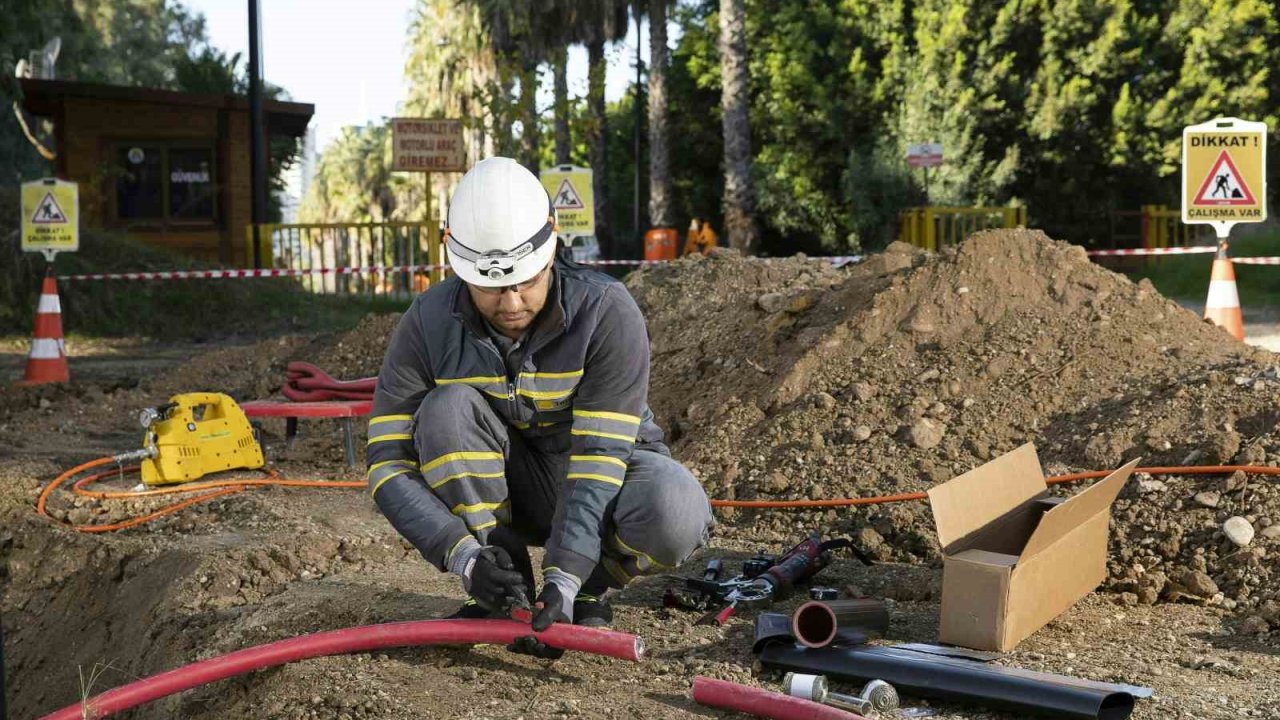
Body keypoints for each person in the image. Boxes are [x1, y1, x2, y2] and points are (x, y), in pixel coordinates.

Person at [366, 157, 713, 652]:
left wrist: (568, 577)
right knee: (446, 409)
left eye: (526, 281)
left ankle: (587, 589)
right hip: (512, 491)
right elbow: (387, 464)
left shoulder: (605, 311)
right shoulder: (427, 322)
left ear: (551, 251)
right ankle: (503, 587)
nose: (510, 304)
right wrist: (464, 556)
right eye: (489, 287)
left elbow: (598, 458)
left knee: (677, 510)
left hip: (602, 482)